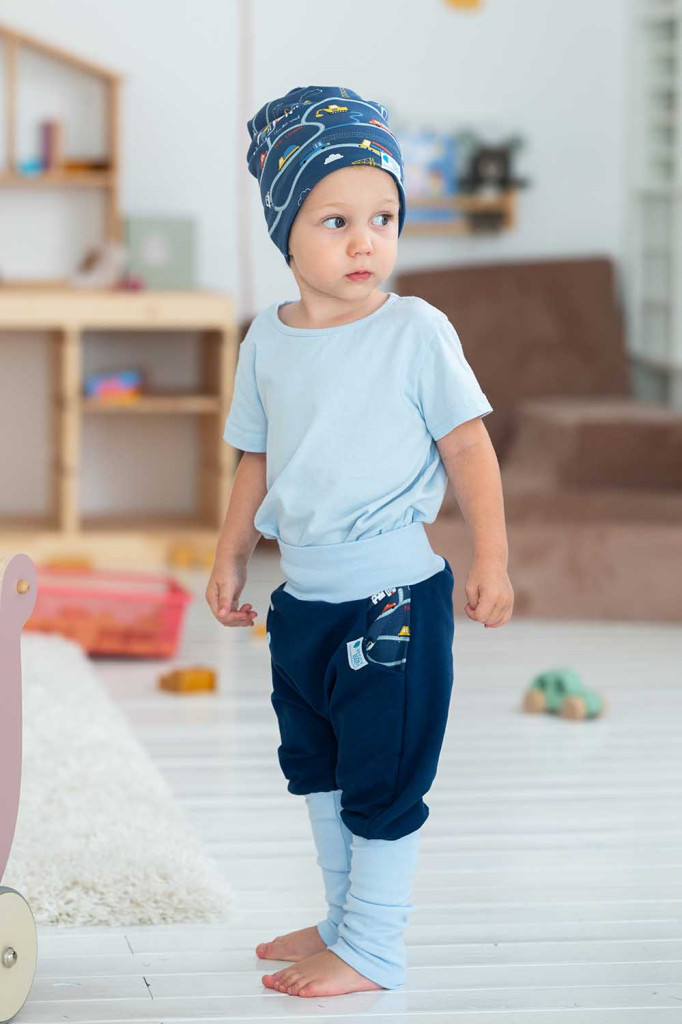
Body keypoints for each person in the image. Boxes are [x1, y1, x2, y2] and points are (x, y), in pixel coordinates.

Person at [206, 85, 514, 999]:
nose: (365, 241)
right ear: (286, 234)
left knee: (383, 776)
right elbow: (256, 459)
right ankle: (343, 920)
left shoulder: (414, 330)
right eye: (336, 220)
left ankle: (373, 946)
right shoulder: (267, 340)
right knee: (320, 770)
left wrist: (492, 560)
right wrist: (230, 554)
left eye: (383, 218)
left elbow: (469, 448)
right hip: (303, 604)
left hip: (393, 604)